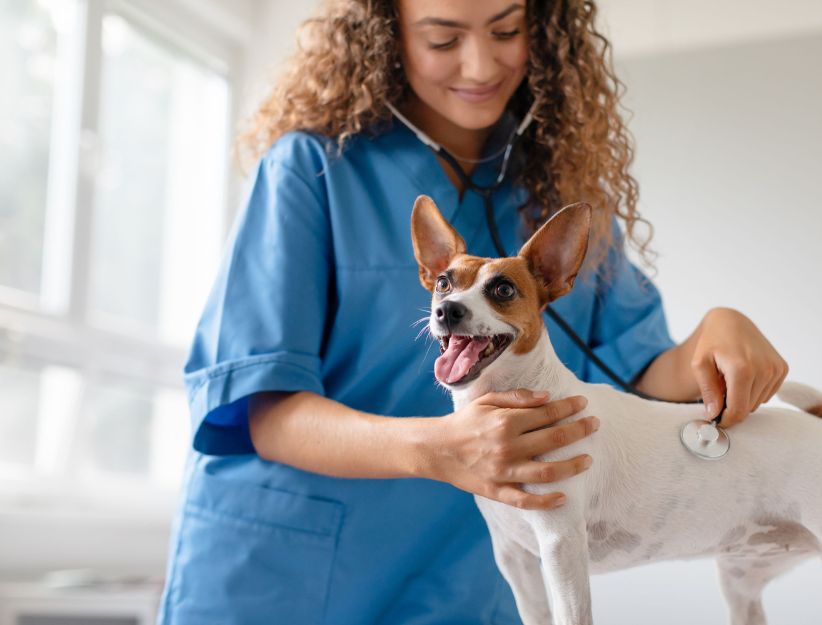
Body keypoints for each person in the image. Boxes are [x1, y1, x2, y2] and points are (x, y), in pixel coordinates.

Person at [156, 1, 789, 623]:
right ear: (386, 35)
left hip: (464, 582)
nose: (481, 63)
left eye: (507, 29)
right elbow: (262, 409)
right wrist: (437, 448)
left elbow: (639, 371)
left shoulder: (564, 198)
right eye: (441, 38)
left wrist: (717, 332)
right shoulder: (313, 169)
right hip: (289, 576)